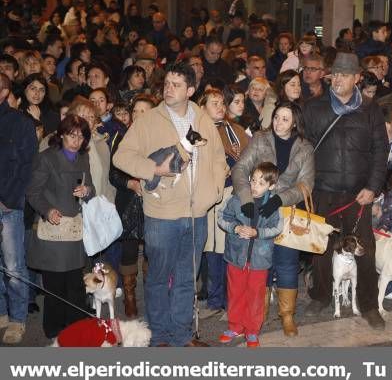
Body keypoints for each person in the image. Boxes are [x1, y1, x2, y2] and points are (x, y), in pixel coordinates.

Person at [113, 62, 228, 347]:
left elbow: (217, 157)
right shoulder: (148, 121)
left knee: (188, 278)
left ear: (191, 89)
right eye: (166, 83)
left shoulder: (202, 119)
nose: (168, 89)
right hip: (162, 214)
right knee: (159, 278)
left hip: (196, 214)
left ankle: (183, 335)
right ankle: (160, 336)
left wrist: (212, 192)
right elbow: (121, 158)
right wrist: (154, 170)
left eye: (176, 85)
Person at [303, 52, 388, 330]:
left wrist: (373, 187)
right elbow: (302, 148)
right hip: (323, 190)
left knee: (364, 248)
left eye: (343, 75)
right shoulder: (314, 107)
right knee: (321, 247)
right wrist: (305, 185)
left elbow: (380, 151)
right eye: (334, 74)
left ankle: (369, 304)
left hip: (357, 192)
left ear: (357, 78)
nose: (337, 79)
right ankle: (321, 295)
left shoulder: (370, 109)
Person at [232, 101, 314, 337]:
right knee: (260, 262)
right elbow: (240, 169)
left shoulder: (305, 148)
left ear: (295, 122)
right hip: (258, 209)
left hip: (287, 212)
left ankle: (287, 316)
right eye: (277, 117)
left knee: (287, 264)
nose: (279, 122)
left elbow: (306, 185)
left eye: (285, 119)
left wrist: (280, 199)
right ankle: (260, 312)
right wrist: (247, 197)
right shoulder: (260, 138)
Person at [26, 114, 95, 339]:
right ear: (62, 135)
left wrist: (87, 191)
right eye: (71, 135)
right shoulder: (46, 158)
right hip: (53, 230)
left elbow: (91, 187)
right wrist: (48, 210)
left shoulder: (83, 158)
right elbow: (33, 192)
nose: (76, 141)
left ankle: (76, 326)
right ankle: (54, 330)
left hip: (74, 228)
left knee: (75, 283)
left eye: (81, 136)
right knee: (55, 285)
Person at [218, 162, 283, 348]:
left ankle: (252, 330)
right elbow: (223, 217)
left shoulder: (273, 204)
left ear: (271, 186)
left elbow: (277, 227)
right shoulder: (238, 197)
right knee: (235, 292)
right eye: (253, 180)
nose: (254, 186)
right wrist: (236, 227)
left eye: (261, 183)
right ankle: (235, 326)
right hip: (236, 256)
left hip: (259, 259)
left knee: (255, 295)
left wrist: (258, 233)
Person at [198, 89, 249, 320]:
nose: (220, 107)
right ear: (201, 108)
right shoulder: (195, 132)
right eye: (214, 103)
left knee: (229, 248)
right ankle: (214, 300)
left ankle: (231, 302)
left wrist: (235, 170)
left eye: (222, 103)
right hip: (204, 195)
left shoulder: (235, 131)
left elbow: (248, 160)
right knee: (211, 249)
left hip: (230, 194)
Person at [108, 94, 159, 318]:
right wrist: (129, 182)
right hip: (128, 201)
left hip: (154, 201)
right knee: (128, 251)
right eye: (135, 111)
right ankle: (129, 298)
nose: (138, 115)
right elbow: (113, 174)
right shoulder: (122, 137)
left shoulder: (161, 138)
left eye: (143, 111)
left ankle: (151, 296)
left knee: (151, 250)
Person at [0, 73, 37, 344]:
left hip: (8, 204)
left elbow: (27, 166)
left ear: (4, 92)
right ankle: (1, 312)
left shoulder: (20, 123)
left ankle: (17, 319)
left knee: (13, 266)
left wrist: (8, 199)